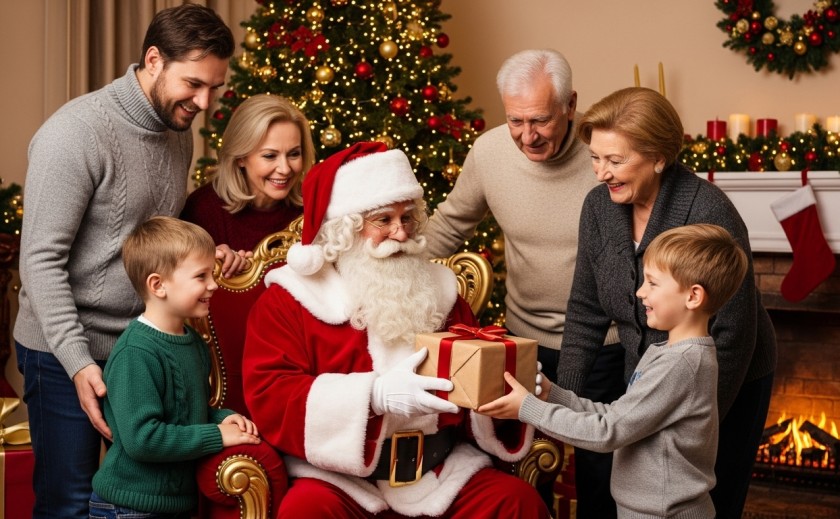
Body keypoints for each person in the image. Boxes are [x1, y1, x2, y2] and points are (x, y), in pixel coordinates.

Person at [241, 141, 550, 518]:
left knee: (515, 502)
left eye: (407, 218)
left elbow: (472, 386)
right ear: (345, 229)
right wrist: (373, 397)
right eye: (383, 220)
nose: (401, 233)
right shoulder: (291, 299)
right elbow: (271, 394)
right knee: (305, 512)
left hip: (440, 473)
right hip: (341, 480)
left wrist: (506, 388)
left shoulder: (442, 290)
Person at [14, 5, 236, 518]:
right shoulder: (75, 133)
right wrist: (76, 362)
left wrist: (202, 255)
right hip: (62, 348)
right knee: (68, 503)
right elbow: (41, 261)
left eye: (214, 89)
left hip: (138, 346)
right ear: (153, 60)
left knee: (131, 504)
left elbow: (156, 233)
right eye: (193, 84)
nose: (203, 102)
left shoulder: (179, 127)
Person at [555, 87, 777, 519]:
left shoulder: (708, 208)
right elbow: (585, 309)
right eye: (595, 158)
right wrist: (566, 396)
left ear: (658, 157)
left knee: (705, 496)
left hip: (725, 375)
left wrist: (695, 425)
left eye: (615, 161)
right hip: (651, 372)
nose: (602, 173)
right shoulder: (599, 207)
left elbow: (733, 332)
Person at [421, 48, 622, 516]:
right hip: (521, 341)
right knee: (514, 467)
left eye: (540, 120)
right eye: (515, 121)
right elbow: (450, 225)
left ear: (571, 105)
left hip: (603, 346)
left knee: (602, 476)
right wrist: (390, 259)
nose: (527, 136)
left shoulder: (607, 155)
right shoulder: (489, 152)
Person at [480, 223, 749, 518]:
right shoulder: (669, 353)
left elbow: (608, 432)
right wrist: (552, 394)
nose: (640, 292)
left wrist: (528, 409)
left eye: (653, 283)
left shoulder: (681, 364)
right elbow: (617, 416)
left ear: (693, 296)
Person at [89, 216, 261, 518]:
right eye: (201, 276)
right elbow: (143, 440)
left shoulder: (193, 342)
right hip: (128, 508)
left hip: (177, 505)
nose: (213, 284)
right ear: (158, 285)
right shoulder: (136, 352)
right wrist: (217, 436)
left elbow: (189, 413)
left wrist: (225, 418)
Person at [181, 93, 315, 251]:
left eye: (294, 154)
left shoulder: (313, 206)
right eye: (270, 156)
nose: (285, 169)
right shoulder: (202, 209)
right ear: (240, 157)